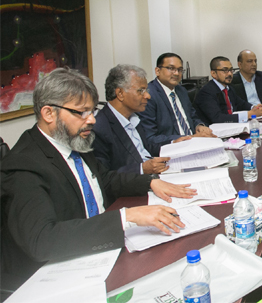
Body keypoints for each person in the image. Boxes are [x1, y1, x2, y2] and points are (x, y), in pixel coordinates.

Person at [0, 68, 197, 288]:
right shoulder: (24, 165)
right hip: (58, 274)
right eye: (82, 112)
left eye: (92, 110)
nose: (92, 119)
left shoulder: (72, 140)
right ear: (49, 114)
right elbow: (42, 239)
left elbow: (105, 179)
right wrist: (126, 217)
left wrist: (150, 181)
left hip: (101, 251)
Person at [93, 64, 179, 174]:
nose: (148, 96)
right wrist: (141, 169)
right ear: (120, 93)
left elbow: (145, 148)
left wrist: (174, 143)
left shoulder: (134, 118)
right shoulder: (99, 128)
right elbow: (104, 177)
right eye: (141, 91)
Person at [139, 53, 215, 149]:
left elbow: (192, 116)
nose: (176, 73)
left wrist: (199, 126)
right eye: (171, 68)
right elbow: (150, 138)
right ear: (157, 71)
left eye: (179, 70)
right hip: (174, 150)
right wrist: (190, 138)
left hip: (196, 144)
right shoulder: (149, 96)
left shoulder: (181, 90)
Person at [195, 56, 262, 124]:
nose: (230, 74)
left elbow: (241, 103)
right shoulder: (206, 92)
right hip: (214, 132)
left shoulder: (228, 88)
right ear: (213, 73)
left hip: (231, 127)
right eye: (225, 70)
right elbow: (217, 118)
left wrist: (254, 107)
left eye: (231, 70)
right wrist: (249, 114)